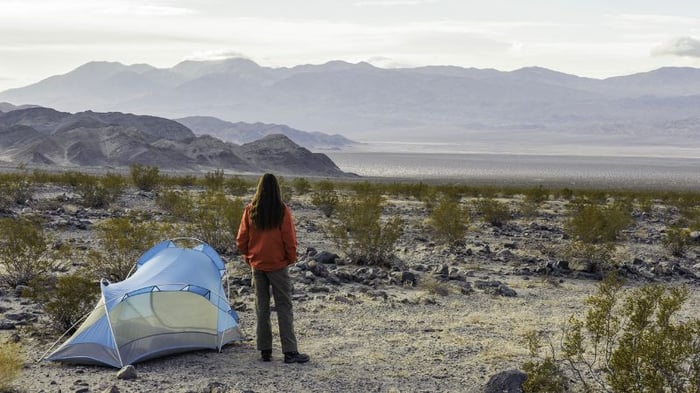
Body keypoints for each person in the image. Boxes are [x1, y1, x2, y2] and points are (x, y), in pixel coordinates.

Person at [236, 173, 310, 364]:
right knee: (284, 306)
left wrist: (248, 257)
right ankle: (290, 351)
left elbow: (241, 239)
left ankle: (265, 350)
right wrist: (290, 259)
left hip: (257, 265)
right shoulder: (282, 211)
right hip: (278, 265)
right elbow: (289, 240)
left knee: (262, 307)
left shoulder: (251, 210)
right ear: (277, 189)